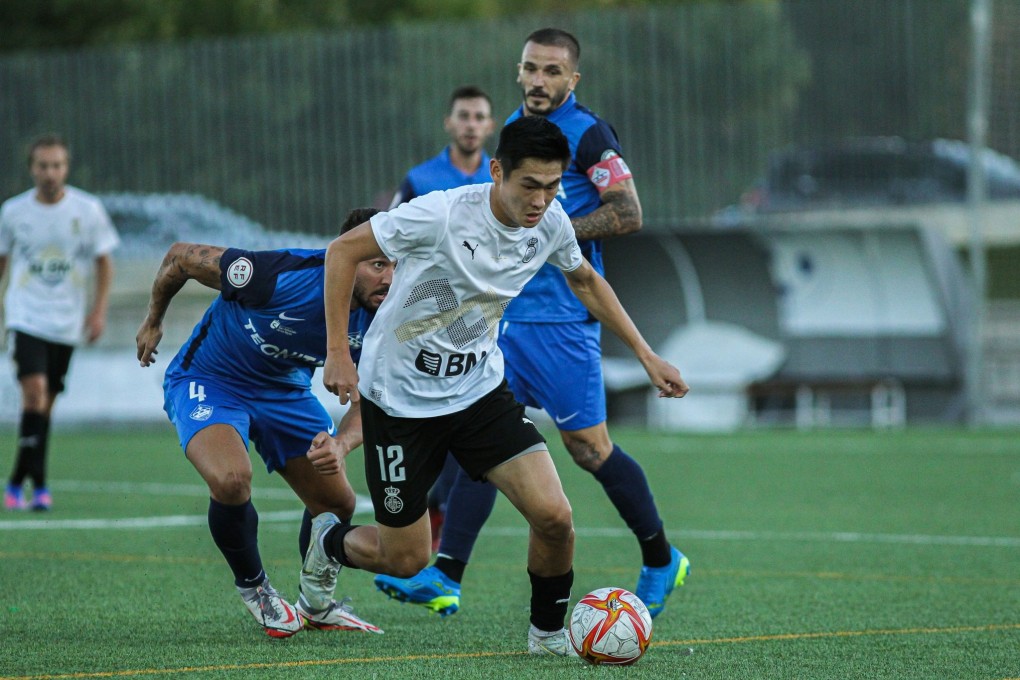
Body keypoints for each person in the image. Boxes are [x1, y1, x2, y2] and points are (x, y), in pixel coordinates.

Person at [302, 116, 688, 657]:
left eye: (553, 186)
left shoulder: (551, 221)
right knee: (407, 559)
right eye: (529, 184)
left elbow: (585, 280)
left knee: (555, 517)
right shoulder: (439, 213)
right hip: (400, 403)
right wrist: (339, 351)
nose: (541, 200)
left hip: (480, 394)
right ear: (497, 170)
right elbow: (342, 251)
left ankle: (548, 636)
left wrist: (647, 355)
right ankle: (327, 543)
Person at [374, 27, 690, 621]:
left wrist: (549, 237)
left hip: (564, 320)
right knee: (484, 440)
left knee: (590, 451)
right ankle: (445, 574)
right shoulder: (516, 135)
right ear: (518, 71)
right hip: (502, 318)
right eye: (530, 69)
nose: (538, 81)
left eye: (552, 72)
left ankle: (660, 556)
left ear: (573, 79)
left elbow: (627, 213)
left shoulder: (589, 133)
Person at [134, 208, 390, 638]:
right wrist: (153, 319)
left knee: (337, 504)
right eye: (378, 263)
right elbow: (180, 257)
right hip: (209, 379)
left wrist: (342, 444)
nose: (389, 277)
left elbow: (381, 400)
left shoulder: (390, 316)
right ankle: (256, 589)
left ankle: (315, 604)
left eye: (397, 263)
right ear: (342, 257)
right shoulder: (272, 274)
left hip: (284, 391)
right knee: (232, 479)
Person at [388, 85, 497, 551]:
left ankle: (442, 516)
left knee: (467, 418)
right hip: (423, 320)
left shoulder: (502, 179)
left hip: (480, 320)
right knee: (431, 420)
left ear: (489, 126)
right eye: (464, 116)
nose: (471, 124)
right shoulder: (421, 178)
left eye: (479, 117)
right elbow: (389, 239)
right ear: (449, 124)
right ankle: (425, 507)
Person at [1, 135, 119, 512]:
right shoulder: (13, 212)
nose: (50, 173)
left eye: (56, 165)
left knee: (46, 404)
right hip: (26, 314)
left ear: (65, 168)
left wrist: (98, 311)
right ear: (32, 169)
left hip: (66, 321)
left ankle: (25, 481)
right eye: (42, 166)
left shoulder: (88, 210)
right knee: (34, 393)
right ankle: (30, 488)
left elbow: (104, 262)